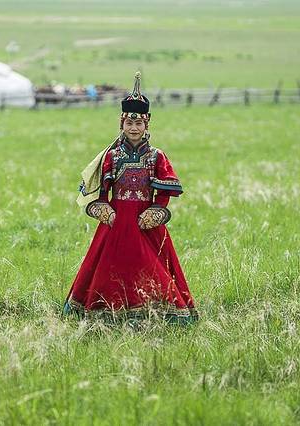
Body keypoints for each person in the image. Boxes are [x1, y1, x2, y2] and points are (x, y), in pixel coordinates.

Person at [63, 72, 199, 324]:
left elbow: (164, 192)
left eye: (138, 124)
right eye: (129, 123)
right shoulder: (111, 156)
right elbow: (101, 191)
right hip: (116, 221)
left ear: (147, 124)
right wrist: (104, 209)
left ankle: (153, 310)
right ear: (122, 124)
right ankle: (107, 311)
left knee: (152, 266)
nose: (134, 128)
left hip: (145, 222)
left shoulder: (157, 157)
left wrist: (156, 210)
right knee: (108, 267)